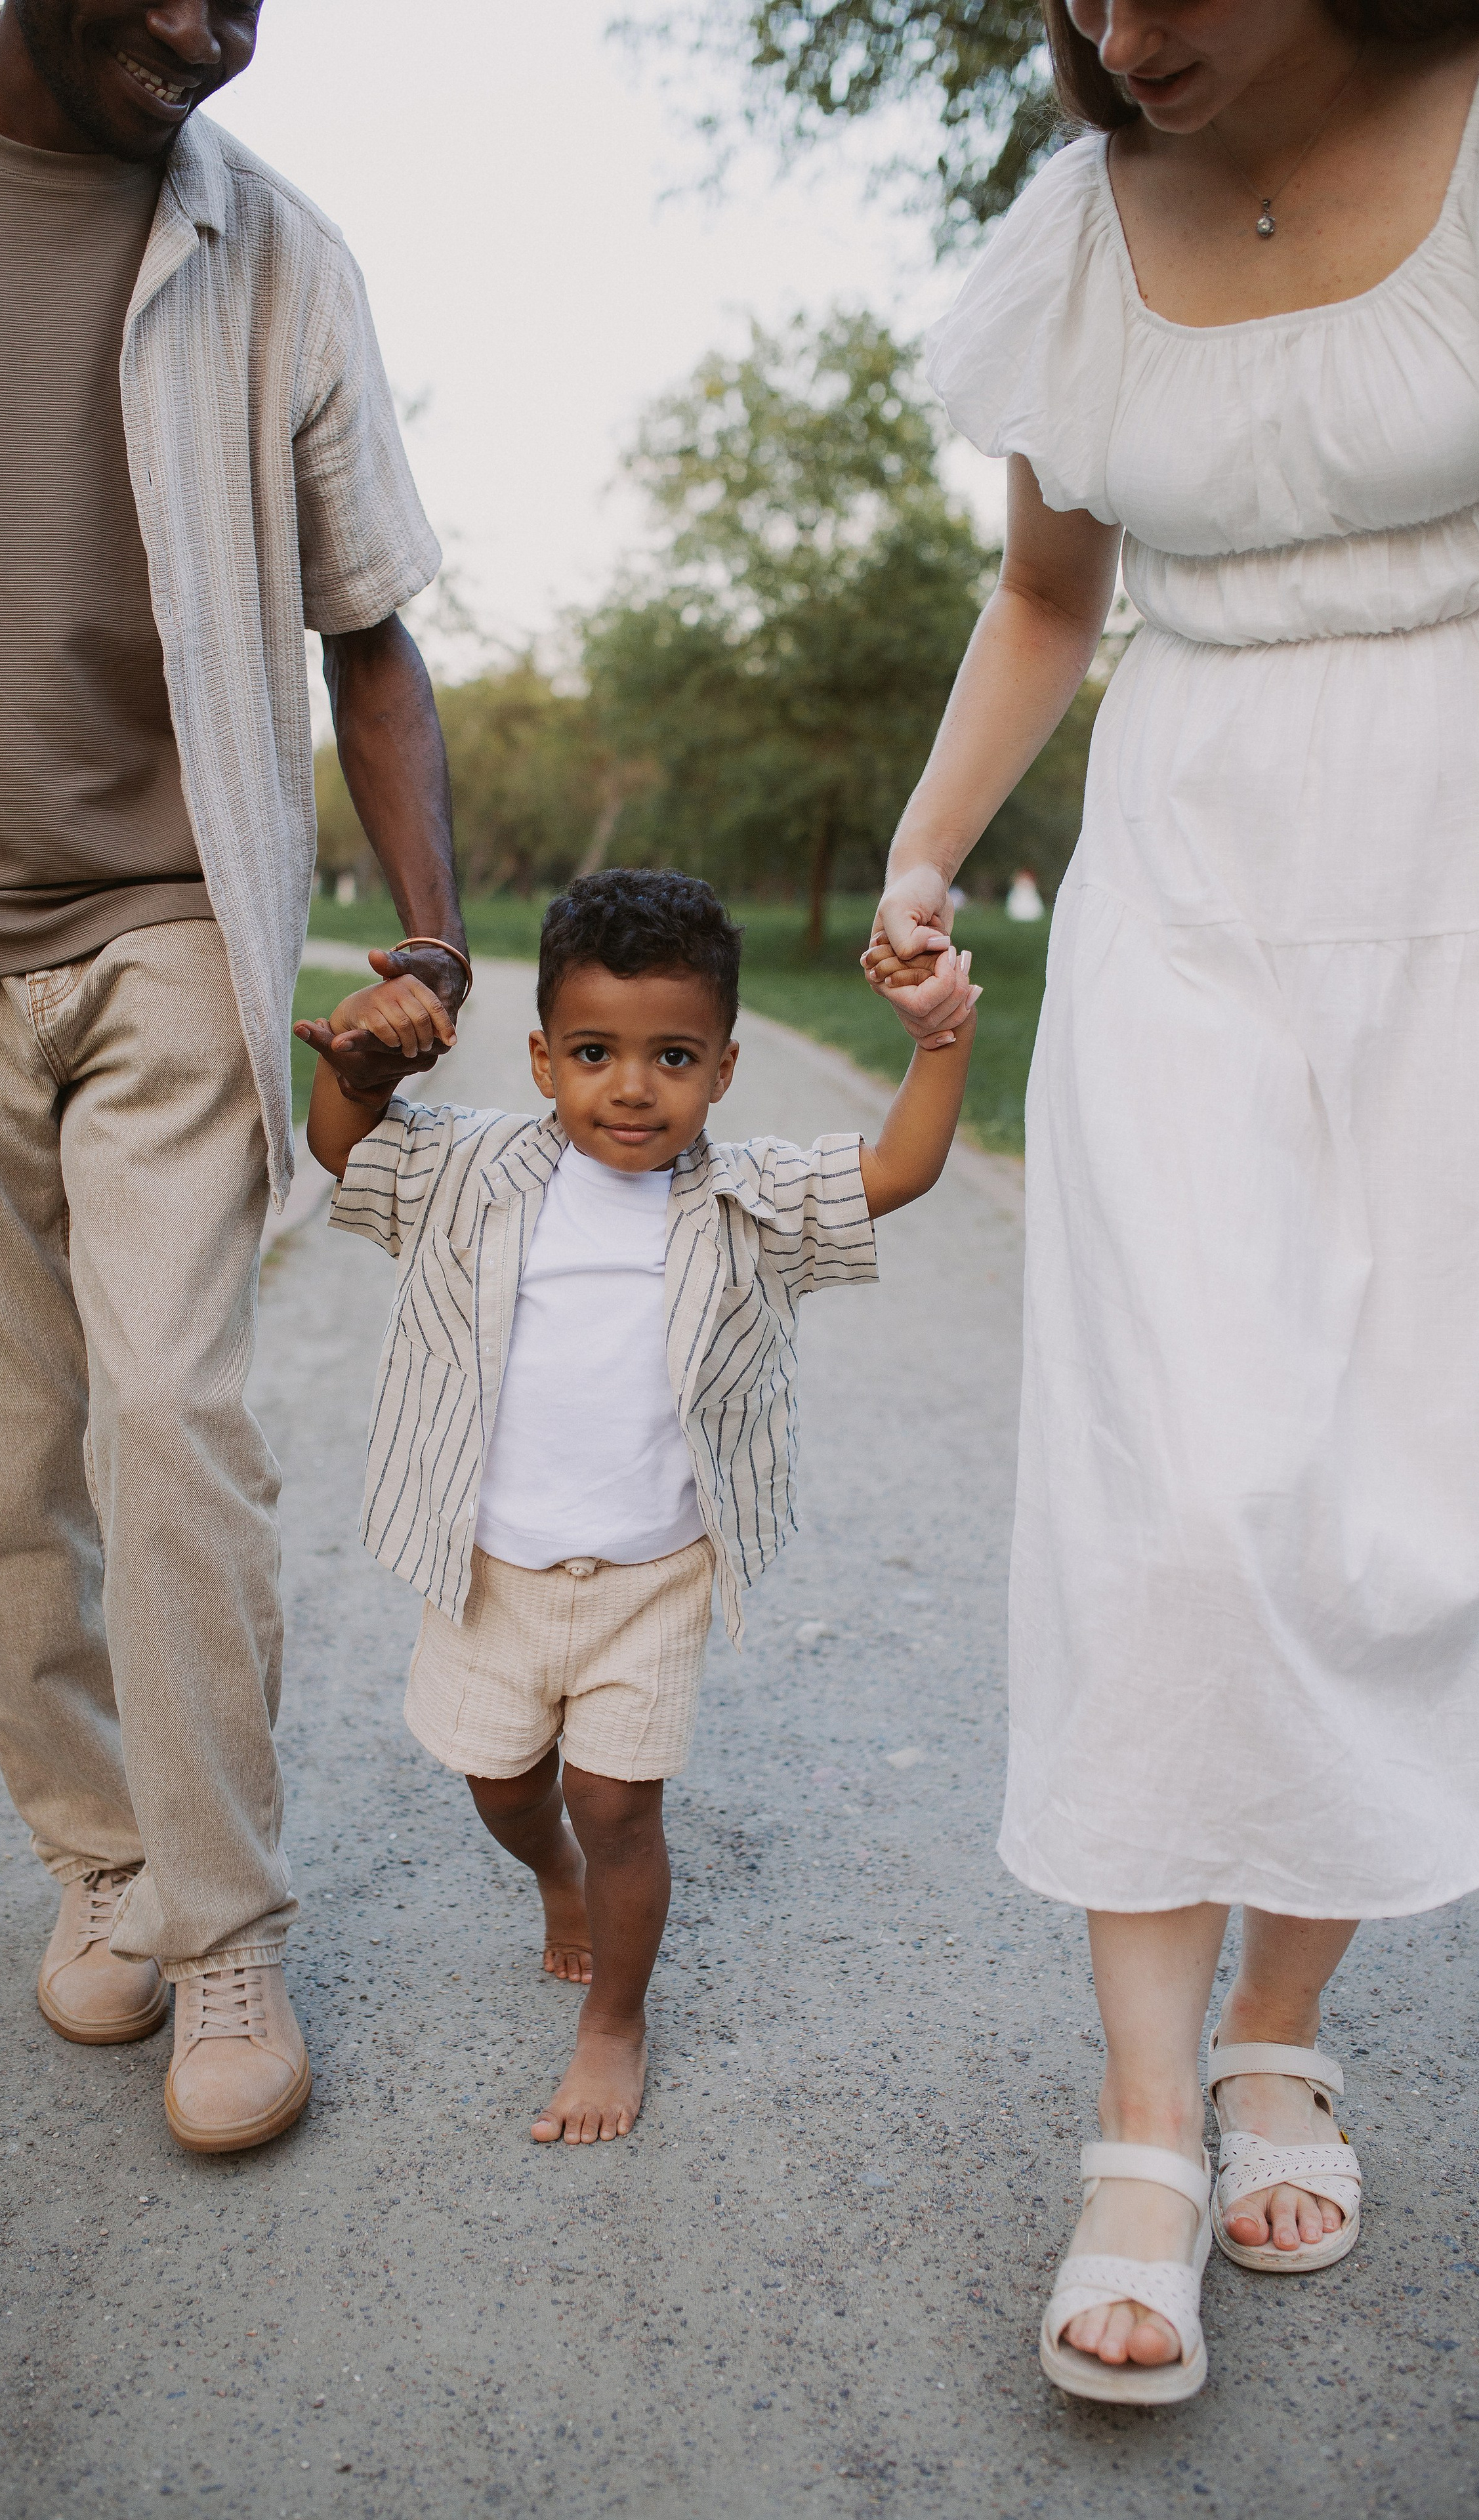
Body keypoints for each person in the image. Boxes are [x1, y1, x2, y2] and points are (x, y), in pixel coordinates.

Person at [865, 0, 1479, 2404]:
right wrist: (926, 850)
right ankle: (1138, 2123)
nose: (1130, 33)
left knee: (1400, 1499)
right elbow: (1051, 595)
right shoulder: (1074, 229)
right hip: (1194, 885)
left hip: (1459, 881)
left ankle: (1278, 2037)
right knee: (1180, 1502)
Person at [0, 3, 469, 2152]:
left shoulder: (277, 254)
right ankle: (97, 1859)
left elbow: (370, 629)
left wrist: (428, 934)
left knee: (171, 1420)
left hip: (171, 925)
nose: (212, 30)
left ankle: (223, 1925)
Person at [295, 872, 978, 2142]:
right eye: (596, 1054)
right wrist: (361, 1070)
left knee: (618, 1804)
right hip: (488, 1570)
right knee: (501, 1785)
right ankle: (550, 1872)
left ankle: (613, 2020)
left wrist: (940, 1040)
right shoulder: (471, 1171)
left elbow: (893, 1168)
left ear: (721, 1069)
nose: (630, 1088)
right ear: (543, 1057)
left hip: (649, 1578)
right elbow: (346, 1150)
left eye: (671, 1056)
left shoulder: (745, 1202)